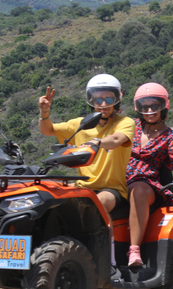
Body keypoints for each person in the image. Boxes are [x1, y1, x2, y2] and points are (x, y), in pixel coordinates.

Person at [125, 83, 173, 267]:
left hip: (148, 185)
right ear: (138, 108)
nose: (150, 110)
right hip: (119, 180)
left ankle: (134, 249)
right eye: (145, 106)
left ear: (163, 107)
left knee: (139, 189)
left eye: (155, 106)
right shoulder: (129, 126)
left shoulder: (171, 137)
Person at [38, 74, 135, 215]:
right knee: (42, 196)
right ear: (91, 101)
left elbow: (116, 140)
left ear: (117, 100)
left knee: (97, 202)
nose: (103, 105)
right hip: (82, 185)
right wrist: (44, 111)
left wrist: (97, 142)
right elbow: (48, 130)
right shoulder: (79, 124)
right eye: (98, 100)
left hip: (112, 190)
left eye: (109, 99)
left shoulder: (124, 122)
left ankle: (106, 238)